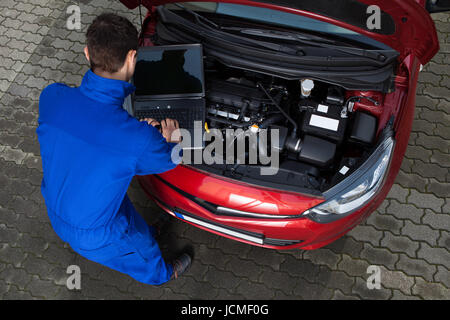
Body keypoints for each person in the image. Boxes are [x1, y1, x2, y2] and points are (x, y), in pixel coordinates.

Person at [36, 13, 191, 286]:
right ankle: (162, 274)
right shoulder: (138, 139)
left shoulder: (51, 96)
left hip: (60, 204)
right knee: (142, 249)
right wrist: (173, 138)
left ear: (87, 53)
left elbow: (96, 134)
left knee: (128, 214)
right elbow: (170, 160)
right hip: (95, 232)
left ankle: (146, 233)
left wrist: (132, 131)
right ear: (133, 57)